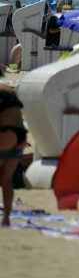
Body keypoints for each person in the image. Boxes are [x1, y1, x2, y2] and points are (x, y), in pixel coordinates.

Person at [0, 67, 26, 226]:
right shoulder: (9, 90)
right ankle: (6, 219)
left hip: (6, 134)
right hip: (21, 136)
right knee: (6, 180)